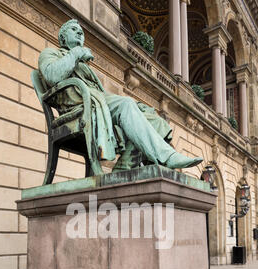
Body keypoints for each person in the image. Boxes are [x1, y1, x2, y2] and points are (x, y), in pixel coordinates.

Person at [38, 19, 203, 171]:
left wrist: (137, 107)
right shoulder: (51, 54)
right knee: (126, 104)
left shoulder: (83, 65)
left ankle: (124, 167)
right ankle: (168, 156)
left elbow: (104, 95)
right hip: (79, 106)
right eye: (74, 30)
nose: (80, 33)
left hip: (96, 101)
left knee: (155, 120)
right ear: (63, 38)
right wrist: (76, 53)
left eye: (81, 31)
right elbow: (52, 76)